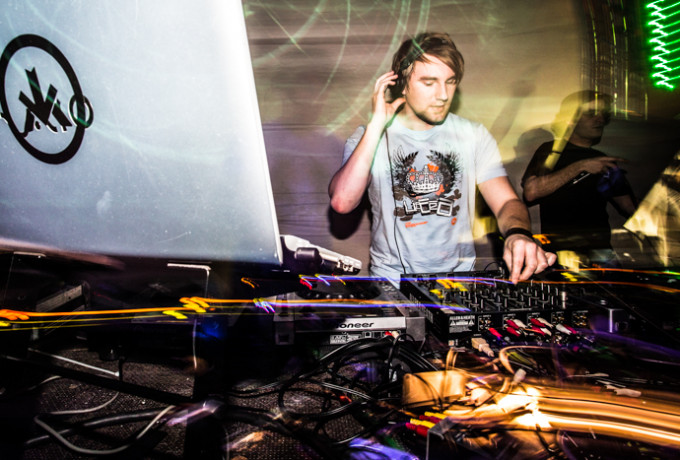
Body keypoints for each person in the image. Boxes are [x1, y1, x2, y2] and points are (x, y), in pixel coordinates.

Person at [328, 32, 555, 284]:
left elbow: (506, 201)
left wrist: (518, 233)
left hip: (459, 282)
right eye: (429, 82)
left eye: (450, 81)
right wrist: (376, 127)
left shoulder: (473, 135)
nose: (444, 95)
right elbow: (342, 202)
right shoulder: (369, 138)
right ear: (402, 82)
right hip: (392, 282)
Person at [522, 90, 637, 267]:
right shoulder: (551, 151)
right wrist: (581, 166)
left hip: (600, 252)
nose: (600, 119)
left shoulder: (602, 159)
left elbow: (629, 207)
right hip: (563, 254)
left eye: (604, 114)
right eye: (591, 113)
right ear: (571, 118)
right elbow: (531, 192)